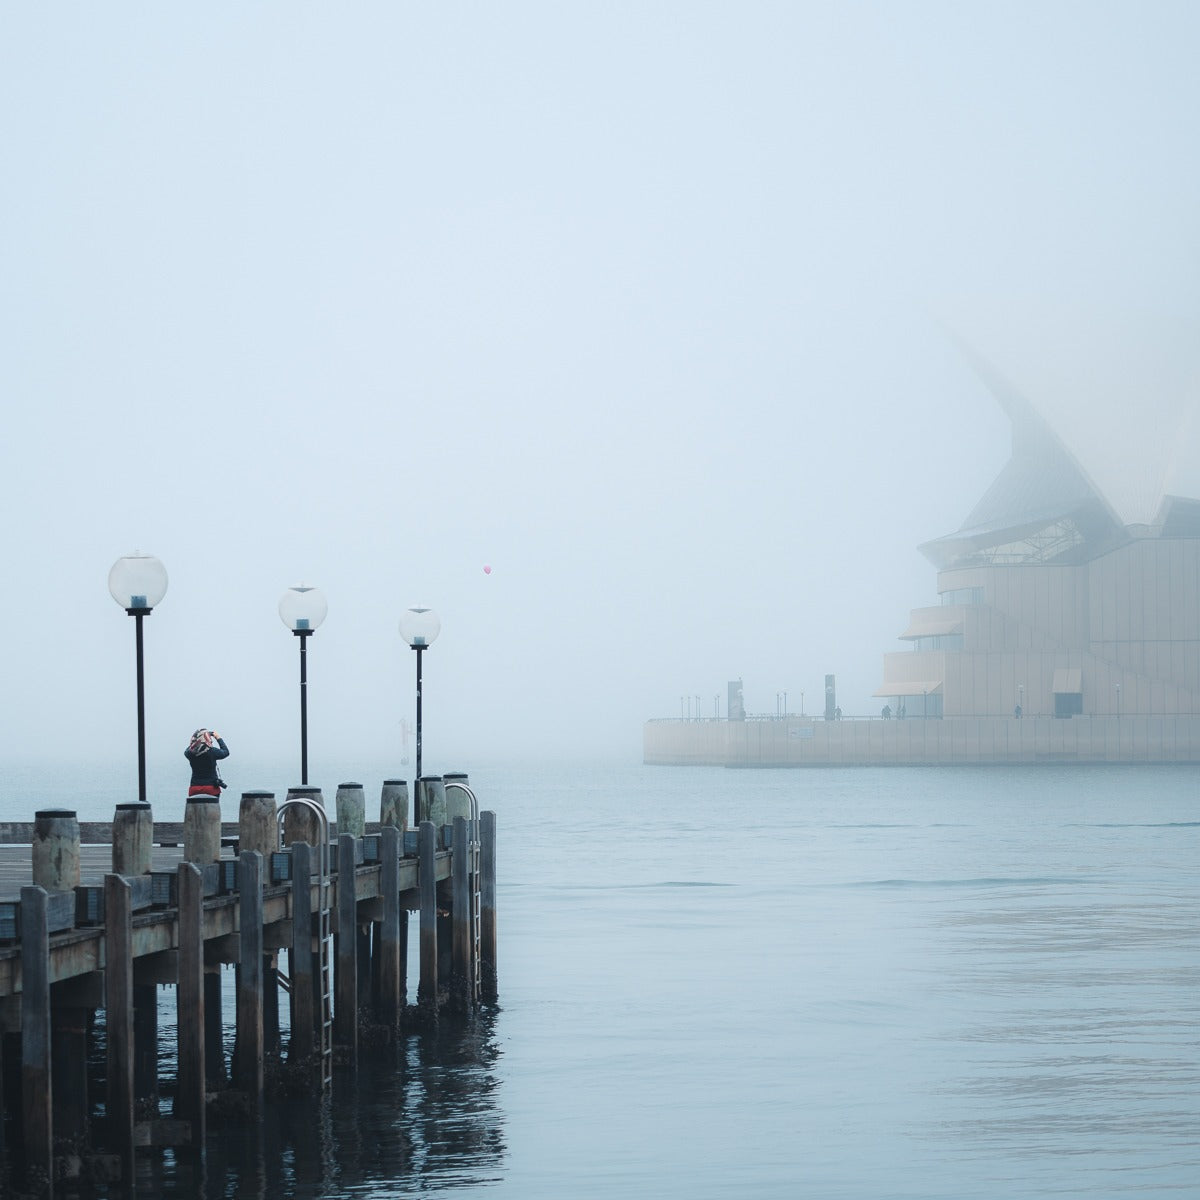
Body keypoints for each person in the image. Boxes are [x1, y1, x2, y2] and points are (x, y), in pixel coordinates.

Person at [185, 728, 229, 797]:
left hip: (194, 788)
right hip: (211, 788)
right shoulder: (212, 751)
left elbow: (188, 749)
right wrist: (218, 738)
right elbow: (226, 752)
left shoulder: (190, 754)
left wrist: (195, 741)